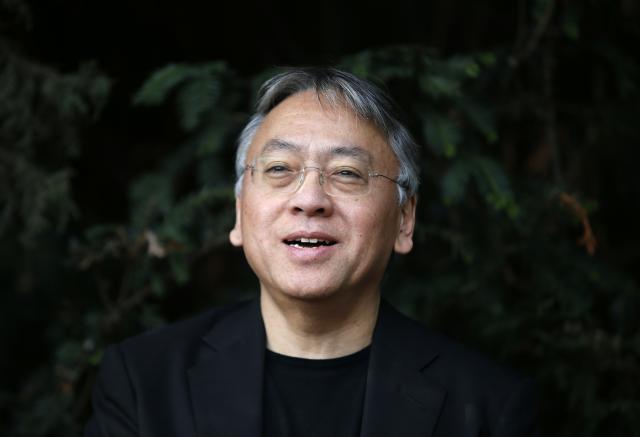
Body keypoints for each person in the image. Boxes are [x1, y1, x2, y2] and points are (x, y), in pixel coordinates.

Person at [85, 68, 535, 437]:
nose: (310, 199)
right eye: (280, 169)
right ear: (239, 213)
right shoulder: (143, 383)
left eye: (347, 173)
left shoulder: (488, 407)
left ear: (404, 219)